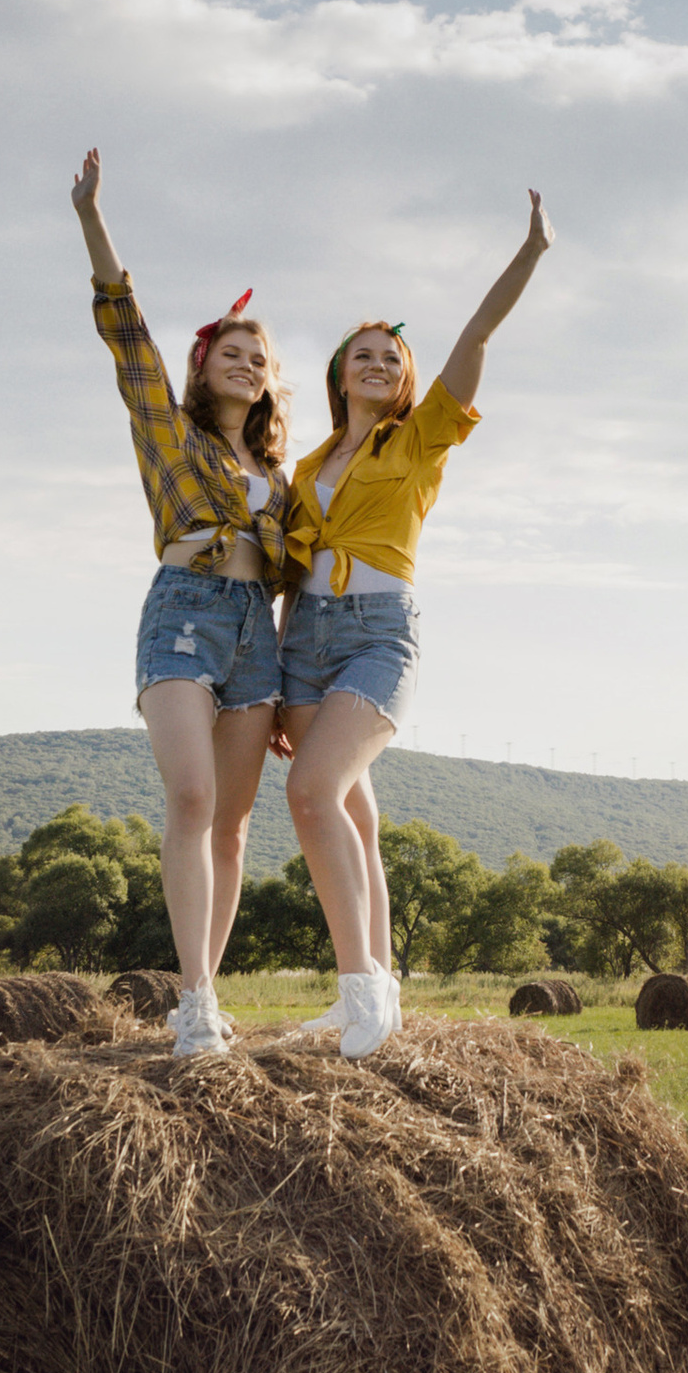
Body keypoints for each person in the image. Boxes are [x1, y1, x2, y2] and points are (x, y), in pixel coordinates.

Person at [284, 190, 553, 1058]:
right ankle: (377, 988)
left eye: (390, 357)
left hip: (376, 633)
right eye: (362, 354)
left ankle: (361, 992)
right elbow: (289, 568)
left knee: (313, 796)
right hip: (304, 638)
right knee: (355, 818)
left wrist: (529, 254)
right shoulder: (308, 465)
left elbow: (474, 339)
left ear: (405, 377)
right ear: (339, 374)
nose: (377, 364)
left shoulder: (420, 441)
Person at [72, 147, 297, 1061]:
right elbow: (127, 334)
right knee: (194, 797)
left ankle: (211, 986)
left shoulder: (280, 476)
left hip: (257, 637)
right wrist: (93, 216)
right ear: (205, 368)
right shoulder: (170, 432)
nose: (247, 366)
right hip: (184, 615)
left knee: (237, 827)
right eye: (232, 354)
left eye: (260, 359)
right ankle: (192, 1002)